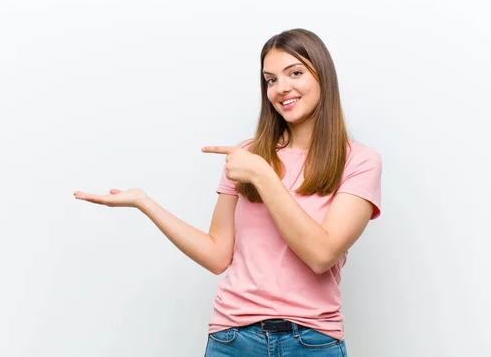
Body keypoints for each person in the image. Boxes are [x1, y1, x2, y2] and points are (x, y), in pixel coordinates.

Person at [74, 28, 382, 356]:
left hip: (313, 342)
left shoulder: (359, 161)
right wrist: (145, 203)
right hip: (232, 340)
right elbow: (218, 254)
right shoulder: (246, 156)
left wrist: (264, 176)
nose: (282, 88)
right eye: (271, 80)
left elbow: (321, 255)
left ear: (323, 77)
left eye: (295, 73)